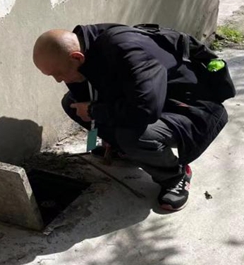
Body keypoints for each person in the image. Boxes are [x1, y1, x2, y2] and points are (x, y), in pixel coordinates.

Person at [33, 24, 229, 211]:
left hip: (191, 110)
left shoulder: (125, 50)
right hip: (152, 104)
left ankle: (175, 176)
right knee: (71, 103)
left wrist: (94, 111)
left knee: (132, 135)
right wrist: (105, 130)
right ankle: (124, 150)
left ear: (76, 57)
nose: (58, 80)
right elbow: (87, 95)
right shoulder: (84, 49)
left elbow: (145, 110)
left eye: (58, 73)